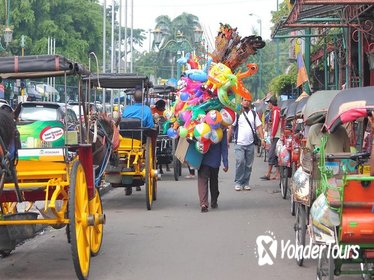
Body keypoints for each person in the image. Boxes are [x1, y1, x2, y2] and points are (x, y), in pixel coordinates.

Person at [122, 89, 154, 195]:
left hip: (125, 141)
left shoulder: (126, 109)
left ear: (133, 99)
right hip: (140, 140)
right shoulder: (147, 110)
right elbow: (150, 126)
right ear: (144, 99)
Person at [228, 98, 265, 191]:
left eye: (248, 100)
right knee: (240, 162)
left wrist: (263, 139)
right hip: (239, 143)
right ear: (241, 101)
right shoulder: (237, 113)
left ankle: (246, 182)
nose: (246, 102)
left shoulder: (253, 113)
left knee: (248, 164)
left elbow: (259, 126)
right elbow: (231, 127)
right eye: (245, 100)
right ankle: (238, 182)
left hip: (250, 143)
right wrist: (227, 141)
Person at [197, 129, 229, 212]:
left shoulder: (200, 123)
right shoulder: (222, 127)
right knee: (214, 180)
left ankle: (204, 203)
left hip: (202, 156)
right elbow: (224, 146)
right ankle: (213, 201)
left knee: (202, 180)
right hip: (215, 158)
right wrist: (225, 162)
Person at [260, 97, 280, 180]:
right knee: (275, 155)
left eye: (269, 103)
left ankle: (268, 173)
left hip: (276, 136)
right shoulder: (275, 111)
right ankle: (277, 173)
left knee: (271, 154)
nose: (268, 104)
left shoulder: (275, 111)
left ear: (271, 103)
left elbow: (275, 124)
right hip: (276, 135)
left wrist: (272, 135)